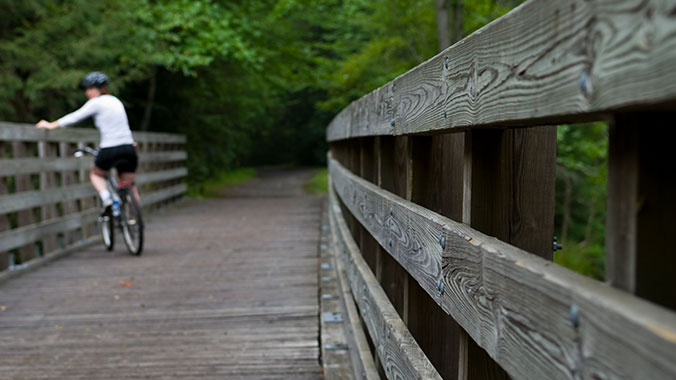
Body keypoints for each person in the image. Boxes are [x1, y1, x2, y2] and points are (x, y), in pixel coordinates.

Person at [36, 71, 140, 210]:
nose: (87, 92)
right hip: (128, 147)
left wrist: (51, 125)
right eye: (87, 89)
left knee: (95, 174)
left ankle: (107, 199)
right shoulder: (116, 101)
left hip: (110, 147)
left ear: (101, 89)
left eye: (91, 88)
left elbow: (74, 117)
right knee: (130, 185)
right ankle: (135, 224)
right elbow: (122, 124)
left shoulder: (95, 103)